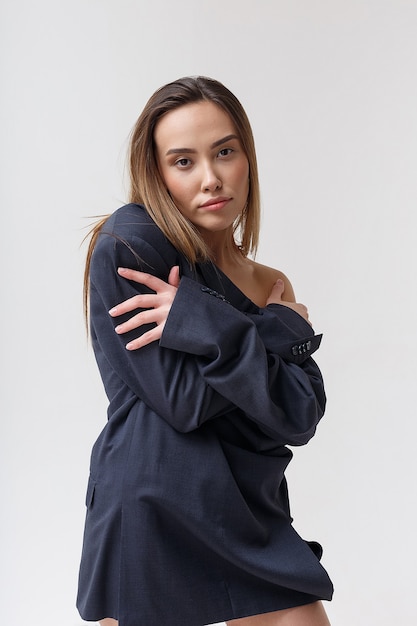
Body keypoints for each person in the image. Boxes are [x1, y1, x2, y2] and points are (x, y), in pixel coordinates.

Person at [77, 76, 333, 626]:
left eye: (224, 152)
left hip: (248, 508)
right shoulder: (131, 243)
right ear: (158, 173)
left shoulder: (270, 281)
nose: (212, 179)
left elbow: (299, 413)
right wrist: (273, 333)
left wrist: (200, 320)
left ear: (247, 156)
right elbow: (182, 402)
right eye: (183, 161)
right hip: (155, 504)